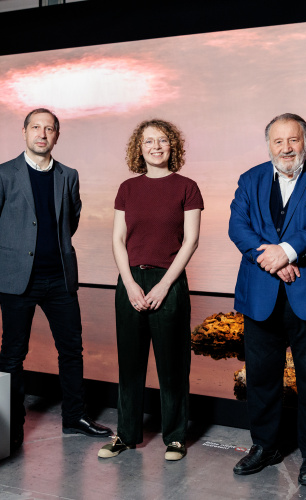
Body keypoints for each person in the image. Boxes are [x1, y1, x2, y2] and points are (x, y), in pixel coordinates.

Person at [0, 108, 110, 451]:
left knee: (72, 350)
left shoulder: (69, 175)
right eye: (36, 127)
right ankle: (10, 423)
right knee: (13, 353)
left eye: (50, 129)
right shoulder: (3, 173)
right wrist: (12, 257)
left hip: (60, 279)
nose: (43, 133)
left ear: (57, 136)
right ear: (24, 132)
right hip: (18, 282)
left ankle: (74, 418)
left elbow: (72, 219)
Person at [228, 113, 306, 486]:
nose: (286, 148)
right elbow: (238, 226)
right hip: (261, 293)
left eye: (293, 140)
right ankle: (265, 446)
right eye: (278, 141)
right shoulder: (250, 179)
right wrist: (274, 260)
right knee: (262, 378)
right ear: (268, 145)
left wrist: (288, 251)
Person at [98, 119, 203, 462]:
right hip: (129, 281)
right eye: (148, 141)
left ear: (172, 146)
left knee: (173, 364)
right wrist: (128, 282)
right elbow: (117, 239)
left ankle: (174, 437)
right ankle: (126, 435)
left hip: (169, 282)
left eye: (162, 140)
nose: (156, 146)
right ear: (138, 148)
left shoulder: (187, 187)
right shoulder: (127, 188)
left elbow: (190, 241)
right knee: (129, 364)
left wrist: (164, 284)